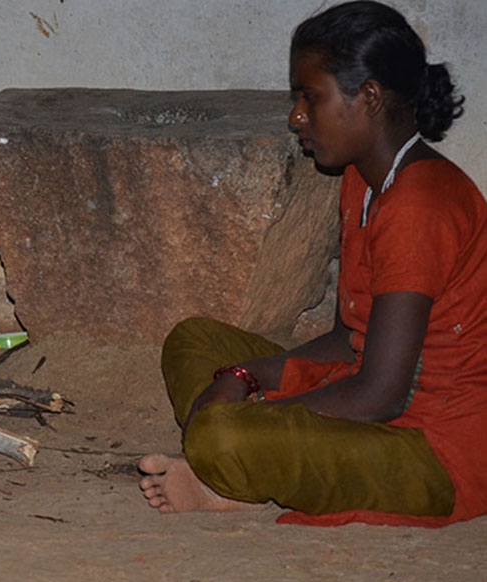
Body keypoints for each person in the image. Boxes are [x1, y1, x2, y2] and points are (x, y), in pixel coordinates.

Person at [138, 0, 487, 527]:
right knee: (194, 340)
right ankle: (240, 471)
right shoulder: (360, 181)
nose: (296, 116)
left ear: (368, 97)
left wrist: (252, 414)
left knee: (222, 433)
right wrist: (242, 374)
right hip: (370, 391)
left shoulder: (421, 203)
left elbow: (381, 395)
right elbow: (350, 336)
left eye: (310, 97)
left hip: (436, 449)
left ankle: (233, 475)